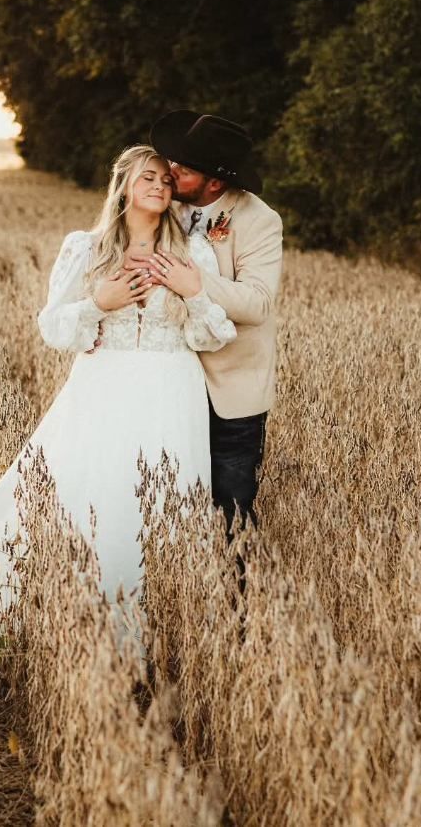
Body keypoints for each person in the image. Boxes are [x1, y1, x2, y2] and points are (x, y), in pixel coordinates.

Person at [0, 144, 236, 640]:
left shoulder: (193, 251)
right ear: (122, 184)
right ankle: (83, 609)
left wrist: (194, 292)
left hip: (173, 388)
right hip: (105, 386)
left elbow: (212, 335)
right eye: (149, 177)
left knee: (166, 497)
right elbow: (55, 329)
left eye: (167, 180)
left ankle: (163, 618)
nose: (161, 186)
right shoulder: (85, 247)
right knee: (99, 492)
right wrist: (100, 303)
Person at [130, 110, 283, 536]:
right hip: (168, 379)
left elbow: (258, 303)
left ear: (215, 182)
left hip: (232, 388)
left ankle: (235, 596)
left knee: (231, 504)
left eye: (183, 167)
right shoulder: (164, 206)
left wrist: (197, 284)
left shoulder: (258, 220)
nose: (170, 171)